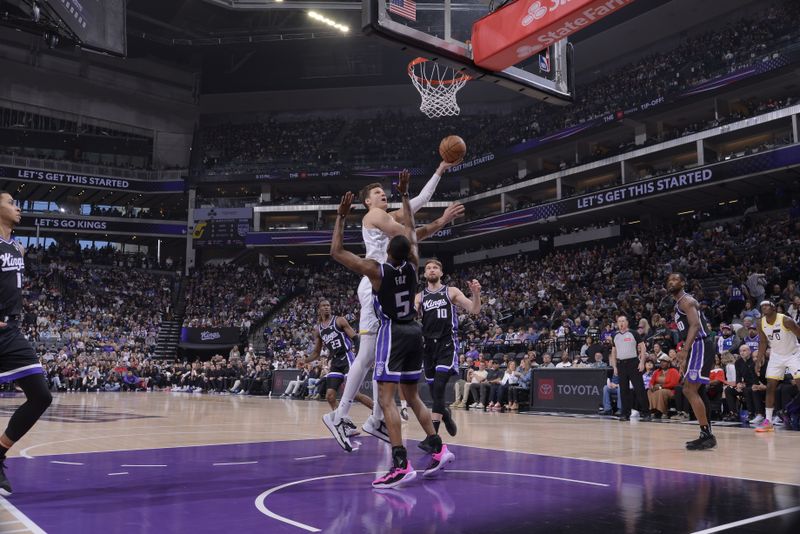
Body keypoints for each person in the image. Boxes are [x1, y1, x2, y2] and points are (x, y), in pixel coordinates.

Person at [324, 160, 464, 452]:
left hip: (384, 281)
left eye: (383, 191)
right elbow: (412, 234)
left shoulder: (386, 217)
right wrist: (440, 222)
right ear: (367, 202)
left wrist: (439, 168)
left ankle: (375, 419)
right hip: (376, 281)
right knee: (366, 355)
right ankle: (339, 415)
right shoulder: (375, 215)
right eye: (376, 192)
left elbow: (419, 203)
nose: (382, 193)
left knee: (378, 357)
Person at [0, 192, 53, 495]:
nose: (17, 207)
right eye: (10, 202)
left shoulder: (18, 248)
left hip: (11, 330)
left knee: (41, 395)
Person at [415, 259, 481, 436]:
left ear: (441, 273)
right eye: (428, 268)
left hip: (446, 344)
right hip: (427, 347)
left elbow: (474, 310)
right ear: (424, 274)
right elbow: (410, 315)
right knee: (435, 394)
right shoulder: (420, 296)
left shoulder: (451, 291)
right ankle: (446, 415)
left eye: (435, 267)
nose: (431, 270)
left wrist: (476, 294)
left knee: (438, 389)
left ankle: (433, 436)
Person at [667, 273, 717, 450]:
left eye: (675, 279)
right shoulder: (678, 303)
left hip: (700, 345)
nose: (672, 282)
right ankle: (707, 434)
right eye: (669, 280)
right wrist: (685, 353)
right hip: (696, 347)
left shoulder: (686, 301)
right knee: (698, 391)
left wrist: (685, 350)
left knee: (689, 389)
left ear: (683, 282)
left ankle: (707, 434)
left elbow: (695, 325)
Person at [306, 300, 373, 424]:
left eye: (328, 305)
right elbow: (316, 353)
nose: (326, 307)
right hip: (335, 361)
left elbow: (356, 338)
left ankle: (379, 412)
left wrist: (359, 356)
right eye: (323, 306)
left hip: (347, 357)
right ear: (319, 309)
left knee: (355, 394)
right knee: (330, 396)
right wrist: (304, 360)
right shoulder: (319, 330)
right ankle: (344, 423)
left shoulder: (339, 320)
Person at [753, 300, 800, 432]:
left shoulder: (786, 320)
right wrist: (758, 360)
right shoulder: (760, 322)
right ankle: (768, 421)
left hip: (794, 354)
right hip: (776, 355)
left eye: (767, 305)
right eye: (762, 306)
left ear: (774, 307)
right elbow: (763, 342)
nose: (764, 308)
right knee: (770, 386)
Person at [609, 315, 651, 422]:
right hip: (621, 364)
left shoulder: (633, 333)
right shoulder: (615, 335)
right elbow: (613, 352)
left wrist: (642, 362)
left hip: (633, 363)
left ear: (627, 322)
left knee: (639, 389)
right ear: (617, 323)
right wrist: (614, 366)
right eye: (619, 321)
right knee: (623, 390)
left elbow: (643, 347)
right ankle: (625, 414)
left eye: (623, 321)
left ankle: (646, 413)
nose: (621, 323)